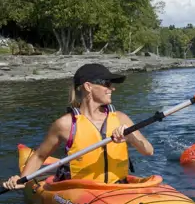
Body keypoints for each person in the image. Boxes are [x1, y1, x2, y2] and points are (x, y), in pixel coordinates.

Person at [2, 63, 154, 190]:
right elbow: (40, 156)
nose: (112, 88)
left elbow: (148, 151)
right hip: (81, 192)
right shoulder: (65, 124)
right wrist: (21, 180)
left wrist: (129, 135)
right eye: (107, 84)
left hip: (118, 188)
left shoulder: (121, 118)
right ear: (88, 86)